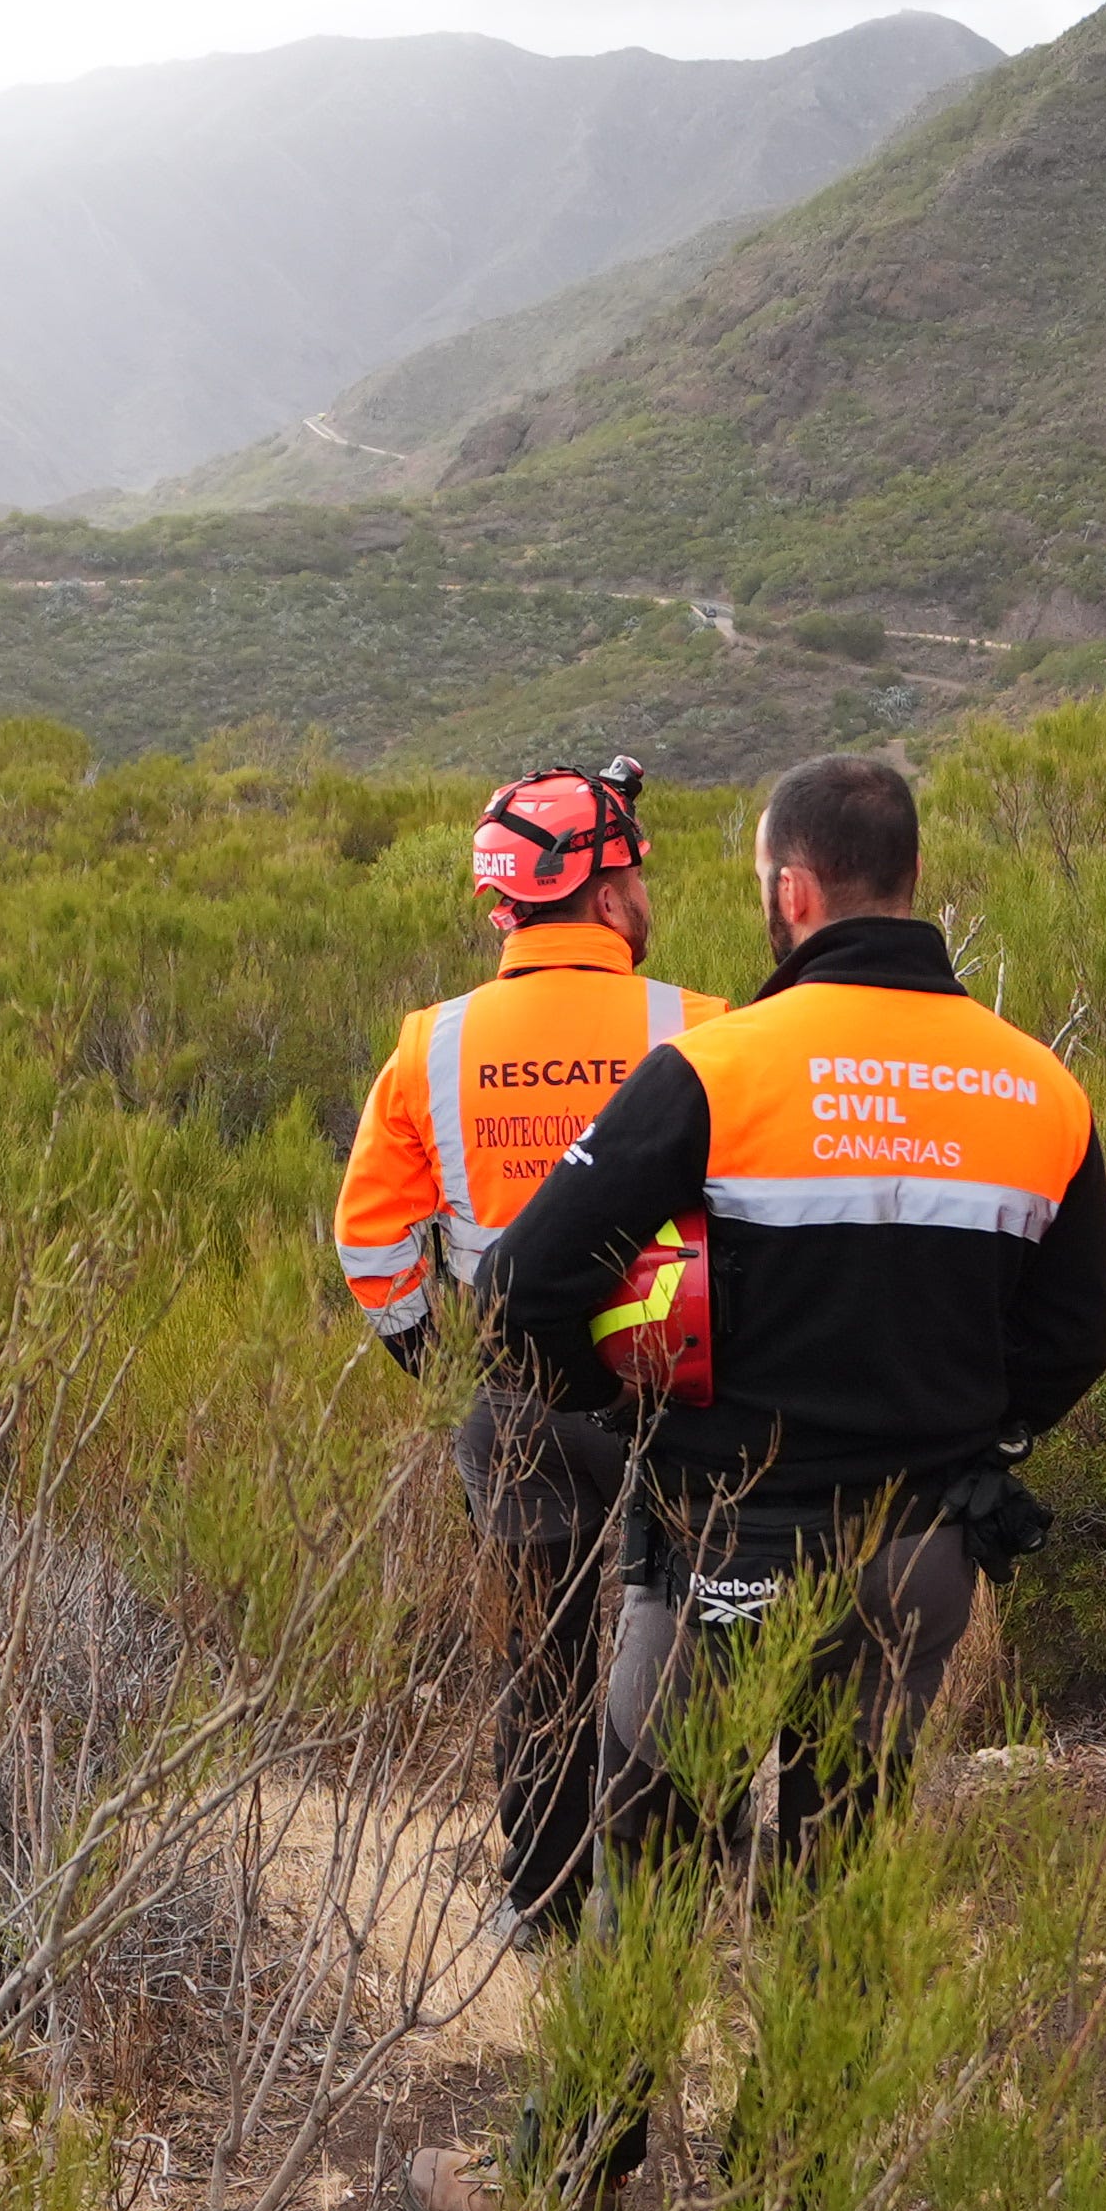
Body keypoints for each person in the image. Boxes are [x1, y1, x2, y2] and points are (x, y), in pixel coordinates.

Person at [399, 751, 1106, 2211]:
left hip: (732, 1538)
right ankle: (797, 2189)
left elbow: (526, 1279)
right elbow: (1075, 1342)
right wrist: (966, 1447)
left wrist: (624, 1408)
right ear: (907, 882)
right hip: (921, 1554)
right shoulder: (1038, 1085)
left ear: (793, 892)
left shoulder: (723, 1071)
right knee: (839, 1858)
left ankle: (570, 2174)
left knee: (651, 1852)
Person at [331, 759, 711, 1944]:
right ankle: (659, 1889)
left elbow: (371, 1239)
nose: (647, 887)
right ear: (601, 893)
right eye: (636, 869)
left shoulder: (431, 1045)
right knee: (687, 1639)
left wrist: (438, 1361)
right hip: (679, 1391)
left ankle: (538, 1899)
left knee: (539, 1655)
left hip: (517, 1395)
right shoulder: (696, 1023)